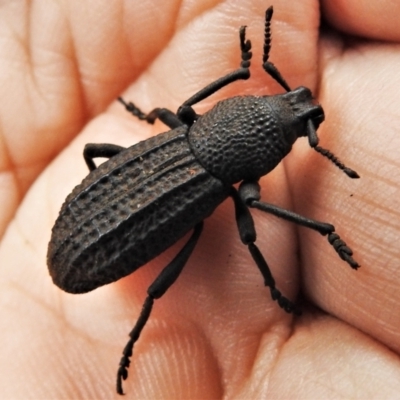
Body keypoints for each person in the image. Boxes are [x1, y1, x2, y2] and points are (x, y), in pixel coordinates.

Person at [1, 1, 400, 398]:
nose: (301, 103)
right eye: (290, 113)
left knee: (144, 134)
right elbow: (254, 212)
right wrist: (324, 231)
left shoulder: (190, 124)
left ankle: (144, 332)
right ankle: (133, 343)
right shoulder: (224, 162)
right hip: (95, 242)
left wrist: (243, 70)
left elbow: (180, 115)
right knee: (183, 272)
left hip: (113, 213)